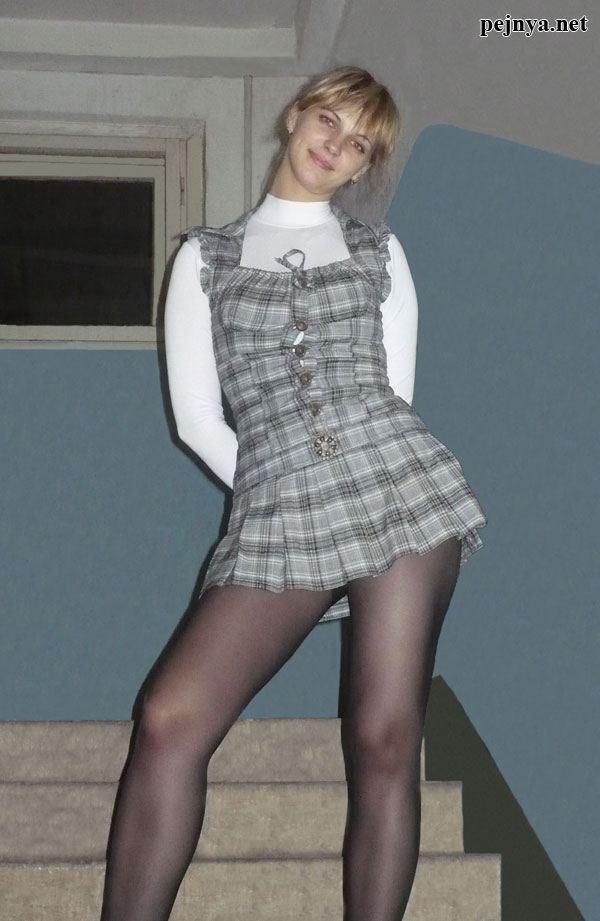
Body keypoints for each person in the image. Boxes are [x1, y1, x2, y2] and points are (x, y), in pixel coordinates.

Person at [99, 65, 487, 921]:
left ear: (364, 167)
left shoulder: (380, 253)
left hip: (398, 491)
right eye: (329, 121)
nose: (336, 146)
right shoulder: (205, 258)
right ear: (295, 115)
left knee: (384, 738)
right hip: (277, 502)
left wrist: (342, 480)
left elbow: (396, 396)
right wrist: (281, 490)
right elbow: (197, 419)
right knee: (168, 717)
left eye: (360, 145)